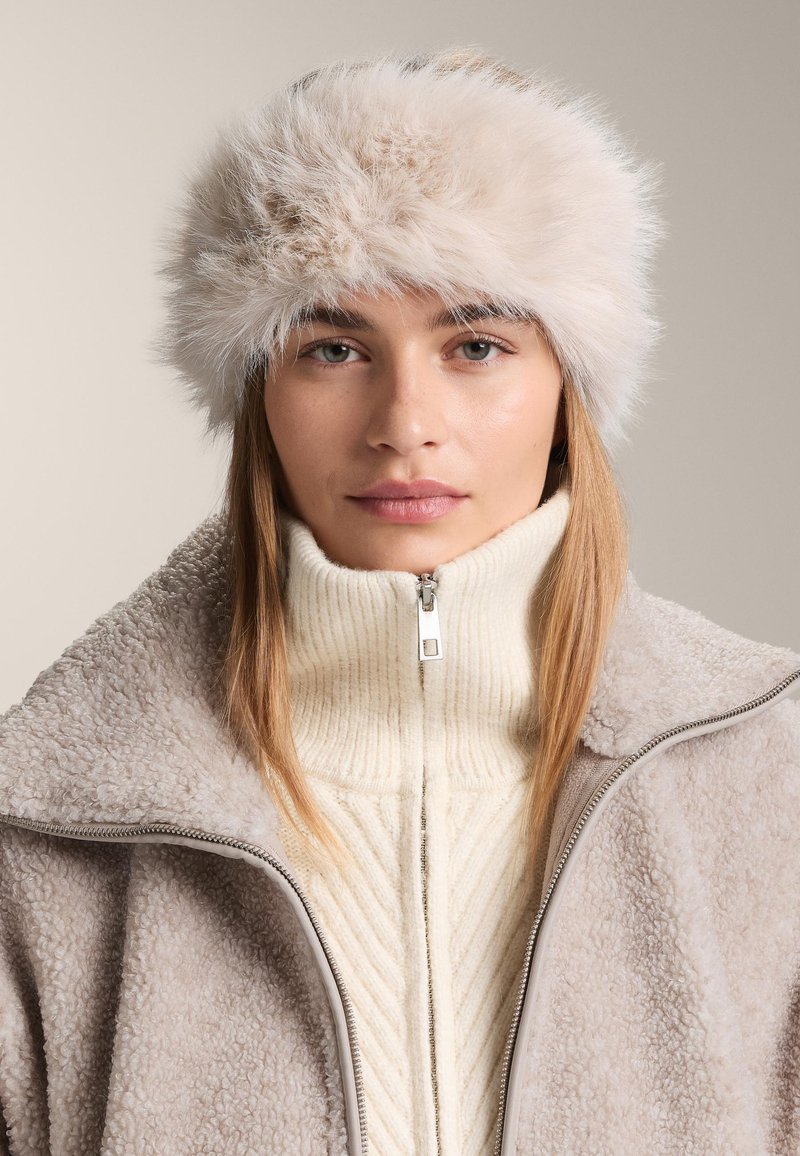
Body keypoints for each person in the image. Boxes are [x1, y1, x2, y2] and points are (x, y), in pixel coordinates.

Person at [0, 45, 798, 1156]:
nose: (404, 423)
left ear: (565, 384)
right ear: (258, 392)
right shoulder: (52, 819)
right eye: (334, 348)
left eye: (476, 345)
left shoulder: (765, 773)